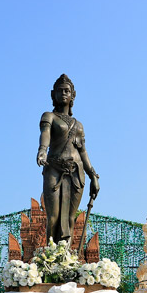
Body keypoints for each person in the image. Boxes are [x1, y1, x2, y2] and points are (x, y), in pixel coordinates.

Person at [37, 74, 100, 244]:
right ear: (53, 94)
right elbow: (45, 134)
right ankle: (52, 253)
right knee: (53, 217)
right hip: (54, 168)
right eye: (60, 90)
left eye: (67, 91)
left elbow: (83, 151)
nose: (64, 93)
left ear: (73, 95)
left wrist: (93, 176)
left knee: (70, 219)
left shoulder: (78, 125)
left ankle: (66, 255)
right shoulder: (49, 116)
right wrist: (42, 150)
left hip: (76, 173)